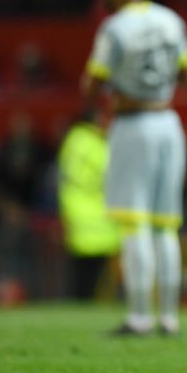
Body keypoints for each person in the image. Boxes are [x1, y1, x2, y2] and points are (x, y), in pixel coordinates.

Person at [81, 0, 187, 336]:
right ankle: (169, 317)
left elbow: (90, 85)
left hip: (132, 126)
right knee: (166, 225)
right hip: (168, 122)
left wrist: (123, 92)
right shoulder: (170, 20)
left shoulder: (114, 28)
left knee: (135, 223)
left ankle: (139, 317)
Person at [57, 108, 121, 300]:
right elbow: (110, 176)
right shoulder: (96, 145)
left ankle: (76, 305)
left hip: (76, 216)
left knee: (79, 275)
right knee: (99, 279)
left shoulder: (71, 142)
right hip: (100, 221)